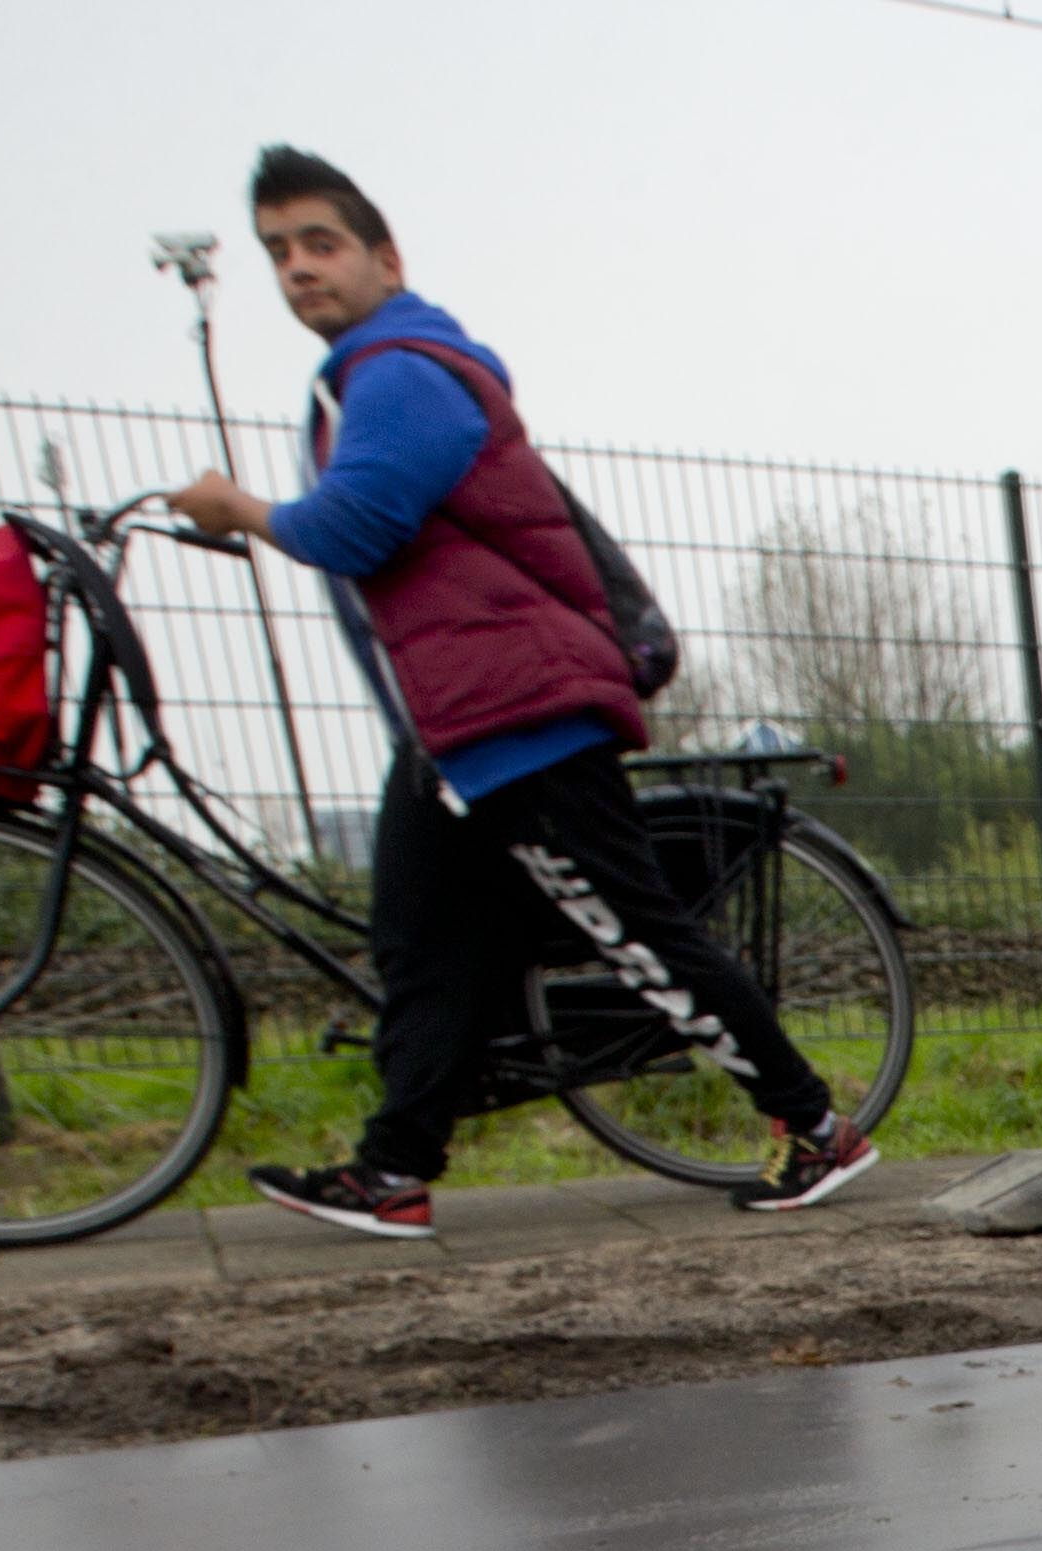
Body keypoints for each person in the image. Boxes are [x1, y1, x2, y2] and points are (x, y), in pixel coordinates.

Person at [169, 147, 873, 1235]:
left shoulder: (401, 370)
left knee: (638, 935)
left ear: (382, 256)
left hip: (519, 720)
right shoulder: (371, 374)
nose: (298, 269)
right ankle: (393, 1170)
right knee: (423, 947)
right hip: (453, 734)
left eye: (321, 244)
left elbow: (355, 526)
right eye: (278, 253)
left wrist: (238, 510)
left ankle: (816, 1127)